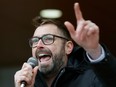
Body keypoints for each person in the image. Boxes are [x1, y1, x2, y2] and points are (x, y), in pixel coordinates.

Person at [14, 2, 116, 87]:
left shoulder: (91, 79)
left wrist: (94, 50)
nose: (39, 45)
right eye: (35, 40)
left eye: (48, 38)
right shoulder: (28, 83)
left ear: (68, 47)